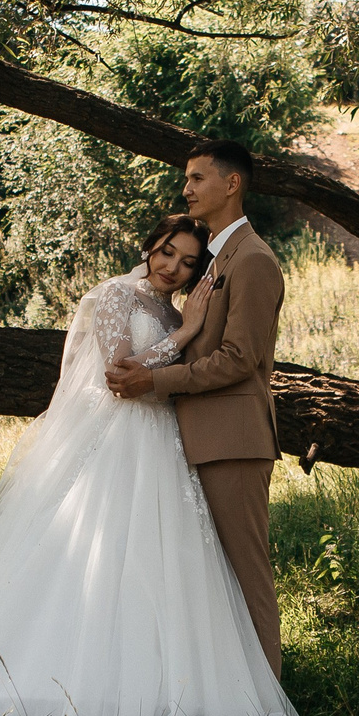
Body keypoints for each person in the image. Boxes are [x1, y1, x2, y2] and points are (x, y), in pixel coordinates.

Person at [0, 213, 300, 716]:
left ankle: (163, 691)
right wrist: (185, 334)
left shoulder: (173, 309)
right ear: (149, 246)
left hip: (163, 447)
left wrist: (182, 329)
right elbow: (117, 372)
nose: (174, 267)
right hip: (113, 444)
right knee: (87, 565)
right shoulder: (113, 295)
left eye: (189, 262)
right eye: (167, 252)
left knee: (158, 569)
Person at [104, 141, 286, 680]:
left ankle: (266, 700)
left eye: (198, 177)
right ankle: (225, 688)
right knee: (212, 578)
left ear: (231, 185)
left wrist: (155, 381)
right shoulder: (214, 259)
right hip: (195, 437)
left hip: (233, 437)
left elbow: (237, 360)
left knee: (245, 572)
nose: (187, 187)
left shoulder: (252, 260)